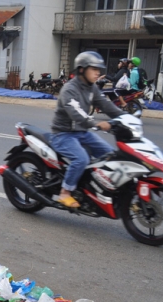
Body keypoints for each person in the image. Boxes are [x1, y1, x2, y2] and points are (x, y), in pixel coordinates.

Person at [50, 51, 125, 208]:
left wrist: (125, 118)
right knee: (81, 159)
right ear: (82, 69)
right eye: (94, 69)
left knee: (110, 154)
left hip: (81, 133)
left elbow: (106, 105)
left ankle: (92, 187)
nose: (98, 73)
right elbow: (77, 113)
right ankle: (65, 192)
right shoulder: (69, 89)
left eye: (99, 70)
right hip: (63, 134)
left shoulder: (92, 88)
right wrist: (97, 123)